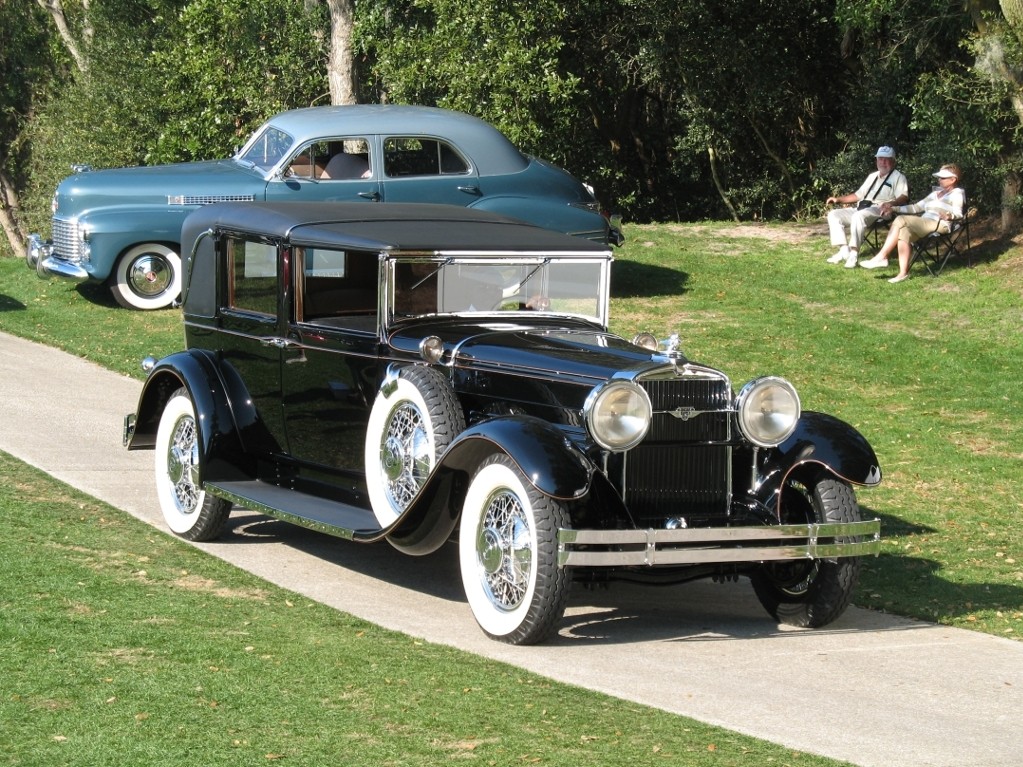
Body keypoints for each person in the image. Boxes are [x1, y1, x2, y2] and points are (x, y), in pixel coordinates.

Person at [860, 164, 965, 283]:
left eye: (943, 178)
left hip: (940, 224)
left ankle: (882, 256)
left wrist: (949, 215)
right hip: (925, 223)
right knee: (904, 232)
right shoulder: (935, 194)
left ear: (953, 179)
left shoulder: (957, 193)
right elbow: (916, 208)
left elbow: (959, 214)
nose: (939, 180)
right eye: (939, 177)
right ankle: (902, 273)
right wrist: (893, 208)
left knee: (901, 220)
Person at [825, 146, 910, 268]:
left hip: (881, 210)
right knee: (834, 214)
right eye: (880, 159)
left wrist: (890, 204)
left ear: (893, 161)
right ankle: (844, 250)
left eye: (886, 159)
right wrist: (838, 199)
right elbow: (858, 195)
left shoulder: (898, 177)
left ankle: (854, 253)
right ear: (876, 160)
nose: (883, 162)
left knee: (859, 216)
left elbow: (903, 197)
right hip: (863, 208)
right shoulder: (872, 176)